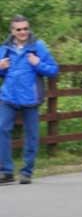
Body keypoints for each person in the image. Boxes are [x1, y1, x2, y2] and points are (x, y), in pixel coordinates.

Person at [0, 16, 59, 185]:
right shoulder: (4, 48)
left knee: (32, 135)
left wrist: (38, 63)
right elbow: (4, 71)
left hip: (31, 98)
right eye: (19, 29)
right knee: (1, 129)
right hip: (9, 97)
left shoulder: (37, 47)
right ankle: (6, 171)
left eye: (25, 28)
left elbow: (54, 70)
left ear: (29, 29)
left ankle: (27, 171)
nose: (23, 32)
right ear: (12, 31)